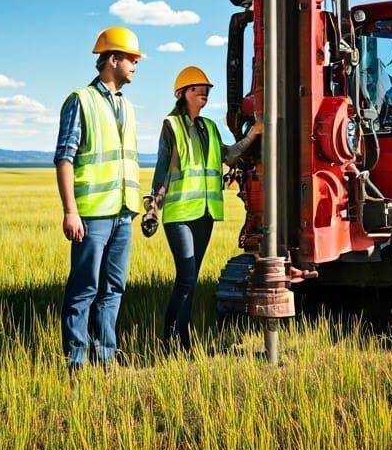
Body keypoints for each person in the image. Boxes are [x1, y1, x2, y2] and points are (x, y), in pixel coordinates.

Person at [146, 65, 261, 351]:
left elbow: (230, 156)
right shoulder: (172, 126)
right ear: (183, 92)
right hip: (180, 216)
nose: (204, 96)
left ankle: (180, 341)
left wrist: (254, 133)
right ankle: (173, 343)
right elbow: (164, 169)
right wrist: (153, 208)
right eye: (198, 91)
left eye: (207, 92)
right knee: (185, 277)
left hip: (205, 214)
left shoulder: (209, 128)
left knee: (191, 280)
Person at [54, 25, 143, 371]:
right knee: (84, 289)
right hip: (91, 215)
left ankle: (105, 358)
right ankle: (75, 363)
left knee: (113, 288)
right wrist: (70, 211)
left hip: (122, 214)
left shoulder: (129, 108)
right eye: (132, 58)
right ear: (112, 59)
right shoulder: (81, 100)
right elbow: (65, 158)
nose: (136, 64)